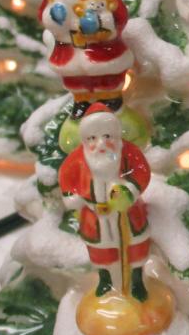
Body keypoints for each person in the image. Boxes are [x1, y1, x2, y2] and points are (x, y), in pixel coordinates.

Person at [58, 102, 151, 299]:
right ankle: (106, 280)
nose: (100, 143)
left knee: (135, 247)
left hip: (128, 213)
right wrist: (72, 197)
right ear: (85, 139)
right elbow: (66, 178)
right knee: (101, 250)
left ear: (115, 135)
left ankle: (137, 281)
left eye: (107, 136)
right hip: (95, 215)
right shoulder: (78, 158)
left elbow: (142, 172)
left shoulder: (128, 151)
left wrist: (129, 191)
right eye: (92, 138)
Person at [39, 0, 134, 114]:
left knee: (106, 74)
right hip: (68, 48)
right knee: (75, 78)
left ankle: (110, 97)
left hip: (100, 48)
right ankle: (81, 101)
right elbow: (42, 16)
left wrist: (100, 23)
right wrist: (54, 18)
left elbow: (120, 16)